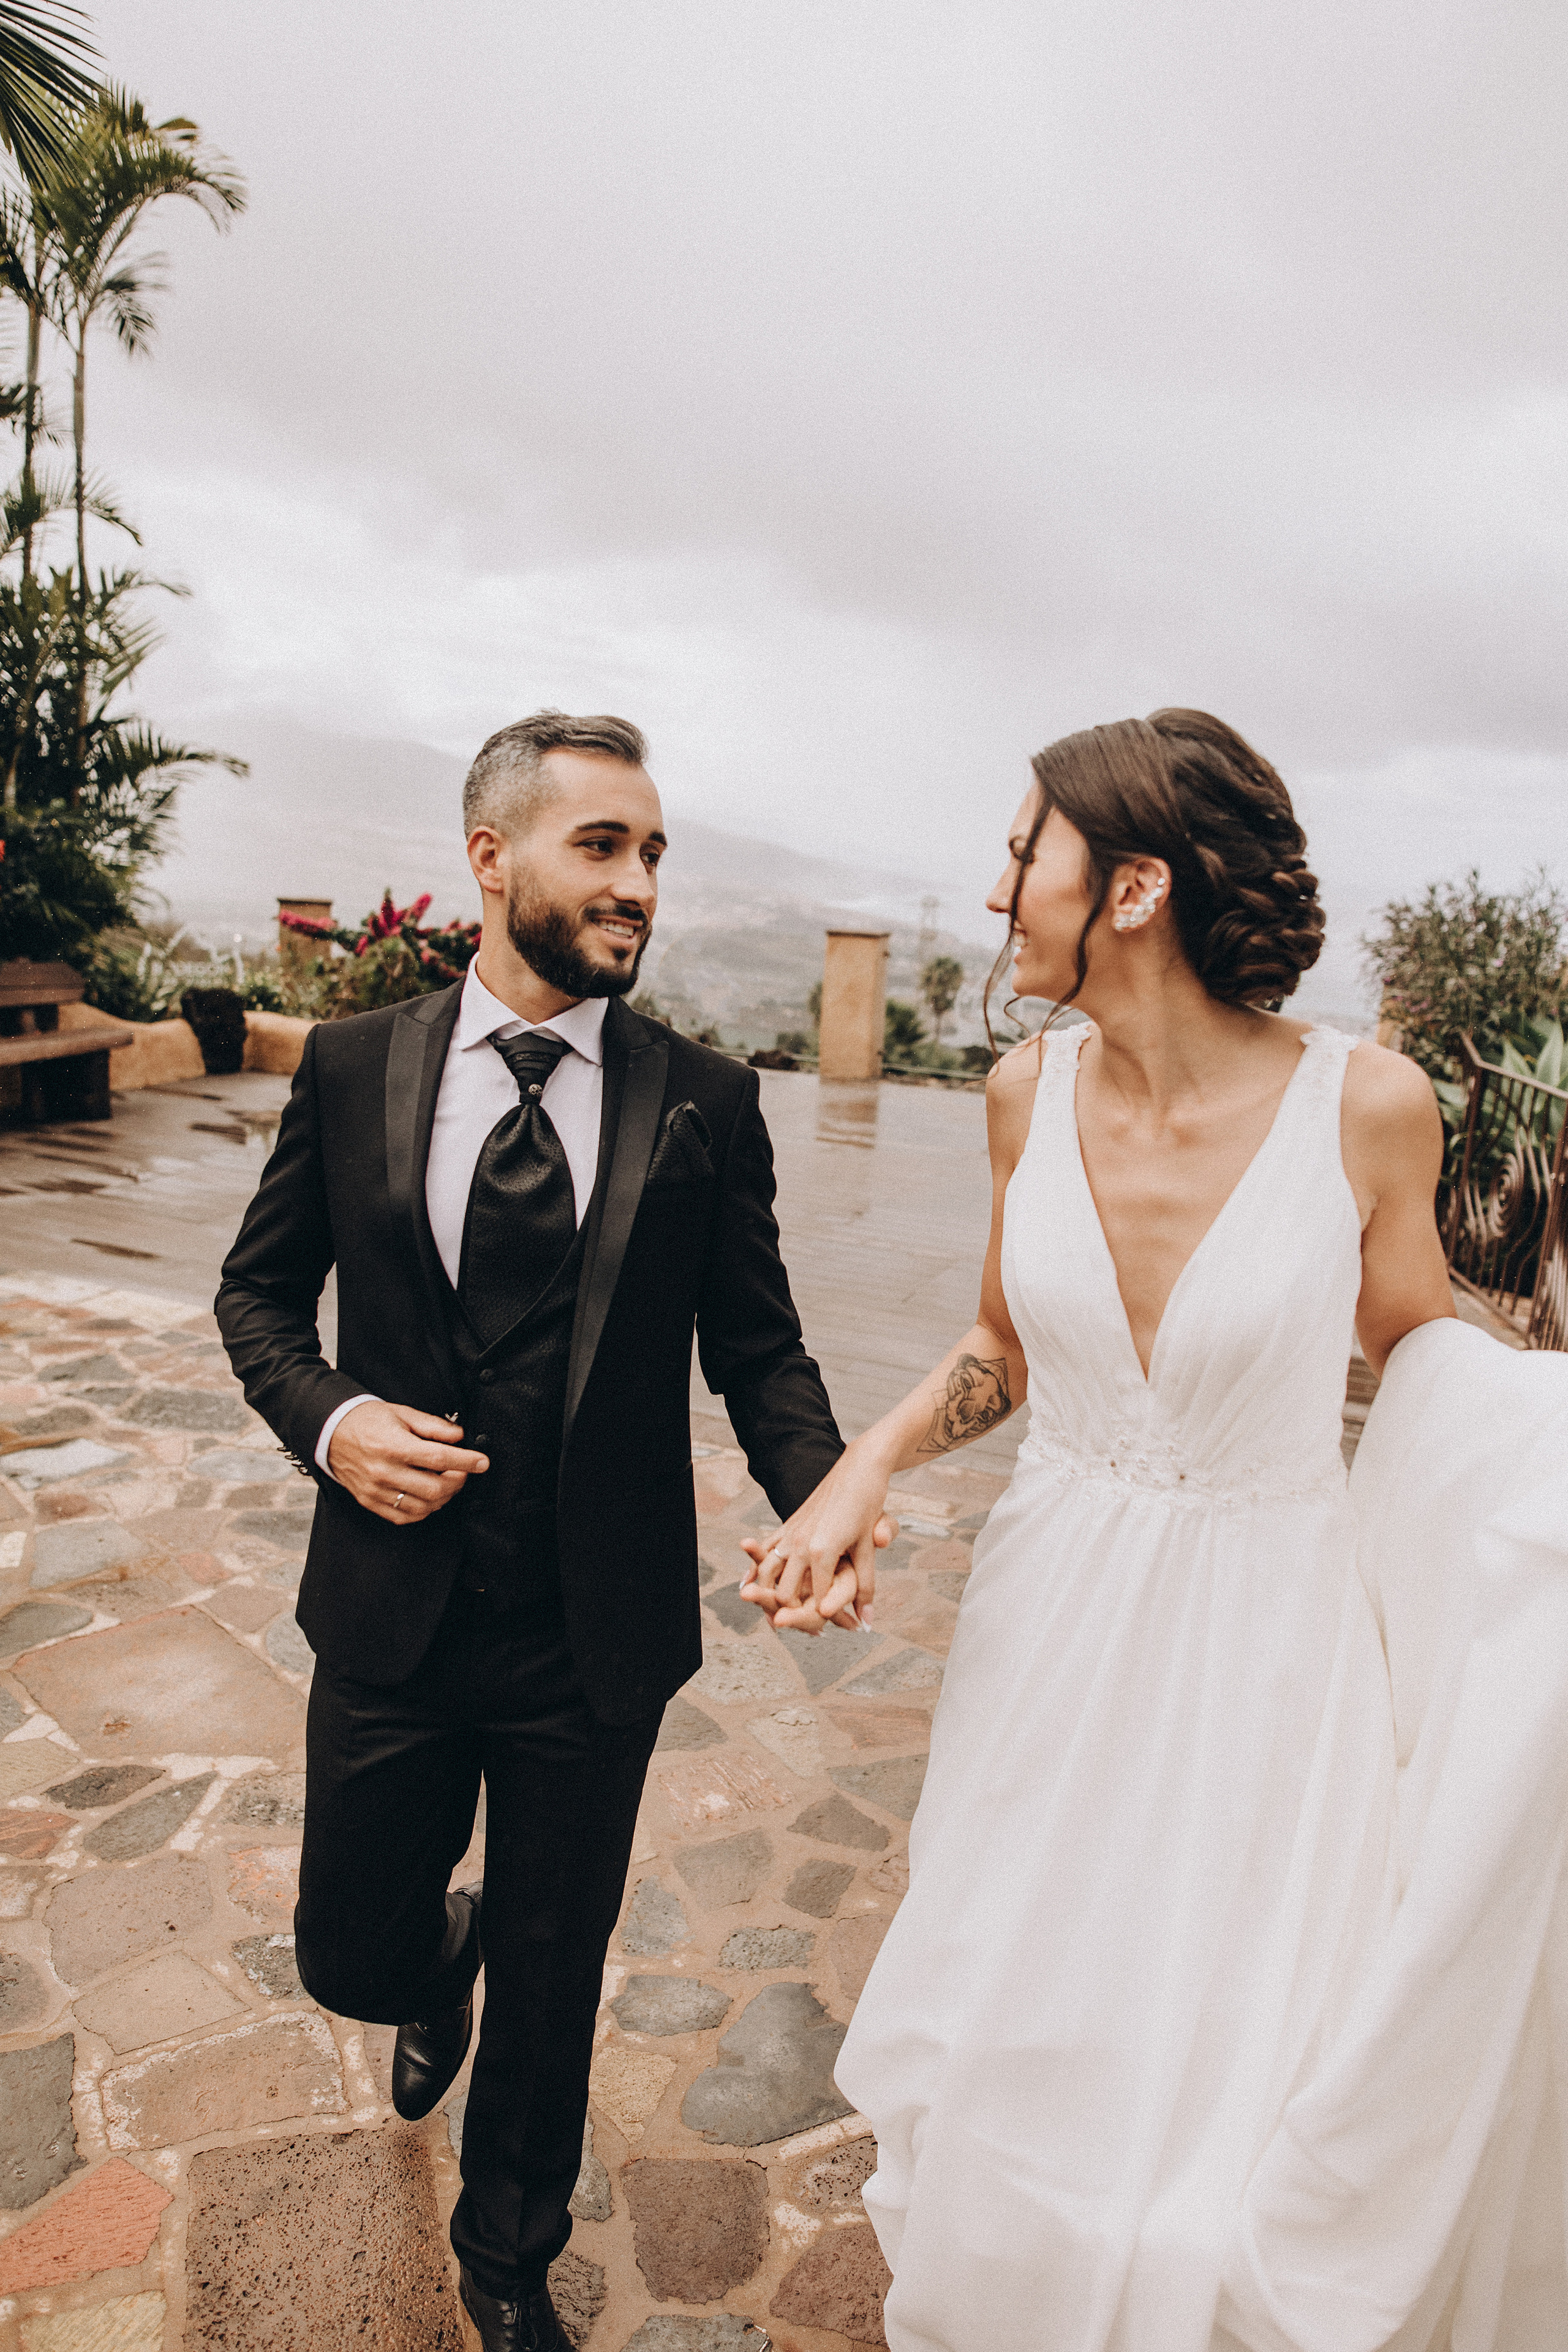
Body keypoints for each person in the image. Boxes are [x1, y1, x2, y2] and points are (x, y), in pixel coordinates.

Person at [739, 709, 1553, 2350]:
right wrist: (868, 1461)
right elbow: (1003, 1350)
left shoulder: (1370, 1109)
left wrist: (1551, 1430)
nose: (995, 889)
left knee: (1223, 2052)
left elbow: (1422, 1350)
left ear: (1129, 887)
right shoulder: (1018, 1097)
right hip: (1051, 1627)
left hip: (1268, 1642)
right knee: (1027, 2014)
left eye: (1021, 850)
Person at [216, 710, 857, 2352]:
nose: (639, 883)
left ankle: (507, 2251)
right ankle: (438, 1971)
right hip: (392, 1614)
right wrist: (339, 1424)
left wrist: (827, 1492)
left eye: (652, 853)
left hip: (597, 1628)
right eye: (603, 846)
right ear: (491, 859)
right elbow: (260, 1296)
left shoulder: (703, 1101)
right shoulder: (358, 1073)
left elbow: (759, 1345)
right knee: (351, 1953)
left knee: (562, 1973)